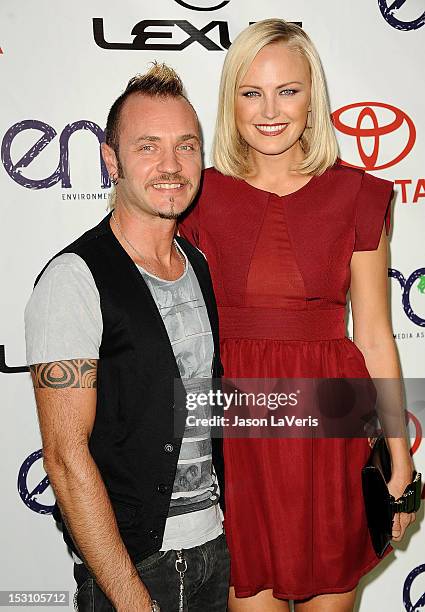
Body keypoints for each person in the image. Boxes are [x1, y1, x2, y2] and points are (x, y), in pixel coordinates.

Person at [179, 19, 417, 611]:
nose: (269, 111)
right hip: (236, 435)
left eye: (288, 90)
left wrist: (402, 463)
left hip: (331, 434)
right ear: (230, 99)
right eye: (251, 92)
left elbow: (378, 340)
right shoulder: (197, 196)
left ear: (314, 95)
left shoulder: (357, 195)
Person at [25, 63, 230, 612]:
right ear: (110, 159)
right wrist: (131, 598)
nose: (171, 165)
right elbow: (67, 462)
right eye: (148, 146)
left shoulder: (200, 265)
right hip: (137, 569)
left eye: (186, 146)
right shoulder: (74, 279)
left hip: (217, 552)